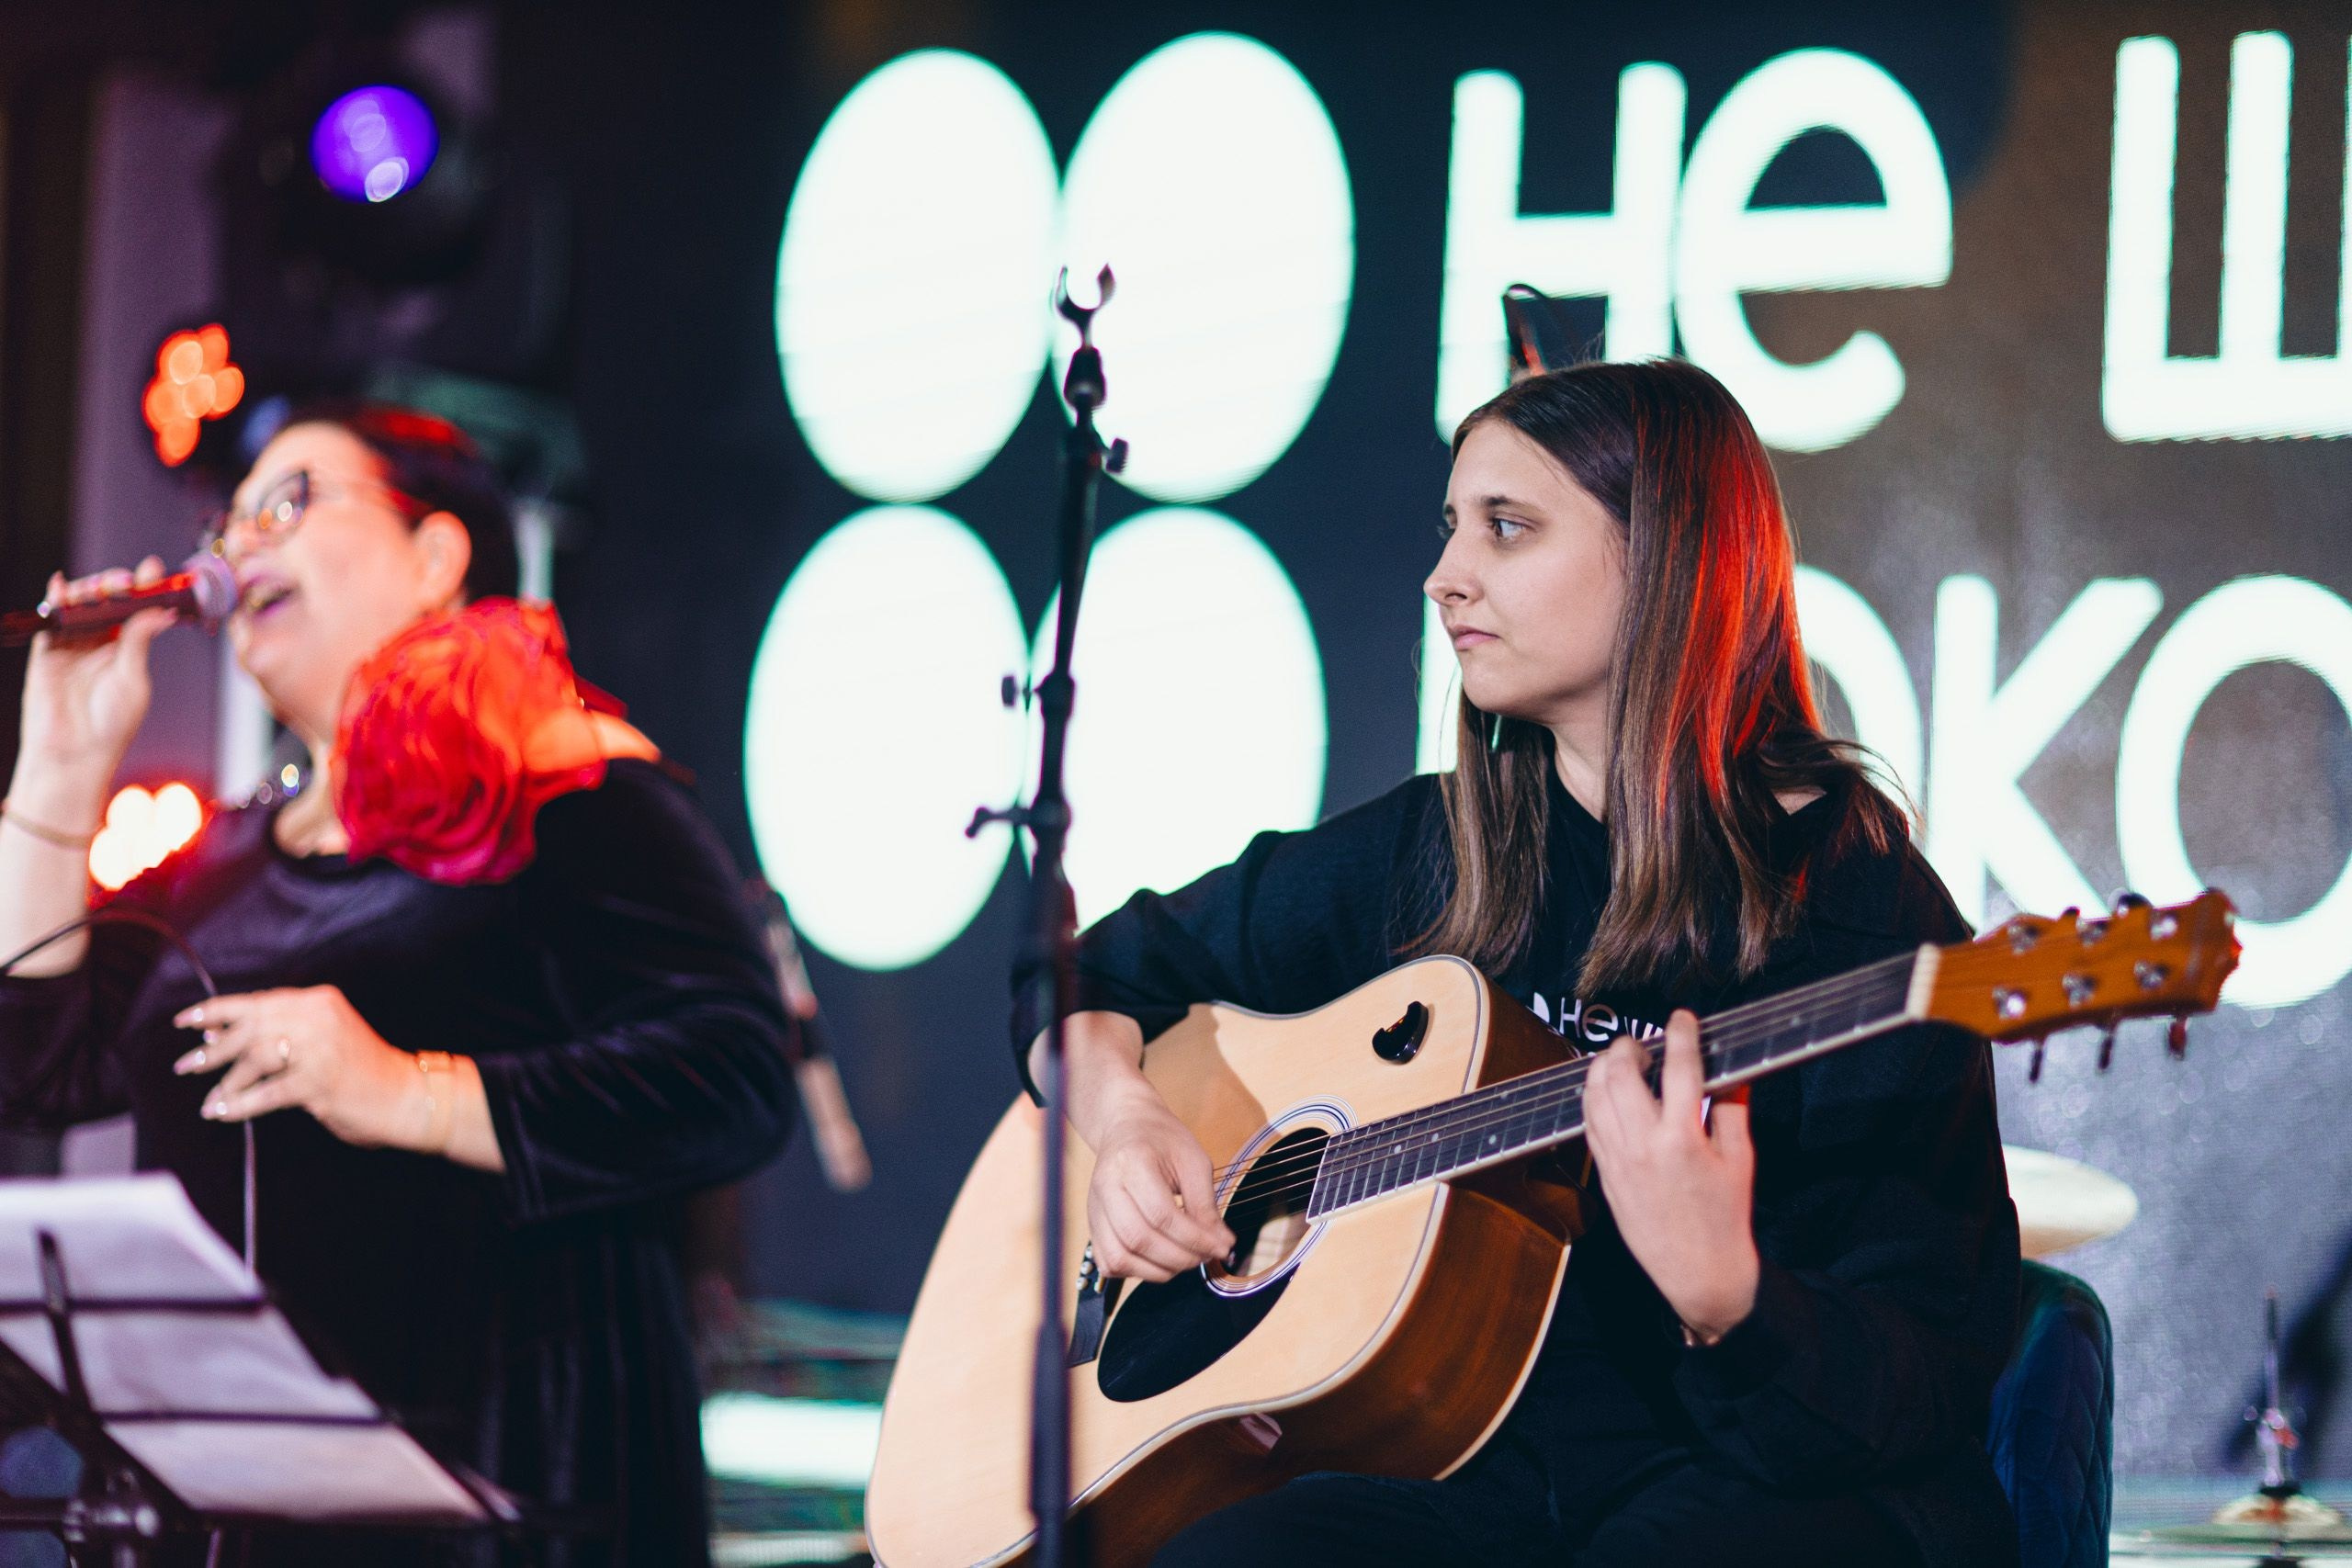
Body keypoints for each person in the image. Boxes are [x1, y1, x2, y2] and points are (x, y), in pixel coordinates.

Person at [1013, 361, 2021, 1568]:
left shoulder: (1863, 910)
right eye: (1452, 527)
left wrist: (1730, 1294)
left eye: (1508, 527)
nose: (1447, 577)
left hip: (1754, 1472)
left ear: (1667, 558)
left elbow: (1938, 1371)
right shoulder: (1443, 845)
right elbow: (1077, 977)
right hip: (1467, 1464)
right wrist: (1125, 1119)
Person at [0, 405, 797, 1565]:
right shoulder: (218, 864)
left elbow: (737, 1072)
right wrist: (61, 765)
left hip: (499, 1502)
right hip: (233, 1521)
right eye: (227, 523)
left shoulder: (569, 790)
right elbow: (35, 1064)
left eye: (289, 503)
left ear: (436, 557)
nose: (236, 548)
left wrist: (404, 1089)